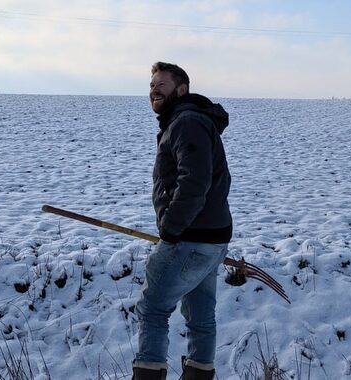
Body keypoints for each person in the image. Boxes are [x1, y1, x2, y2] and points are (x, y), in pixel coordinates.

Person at [133, 62, 232, 380]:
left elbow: (194, 182)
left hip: (188, 237)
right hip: (212, 239)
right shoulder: (192, 122)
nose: (154, 89)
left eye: (161, 84)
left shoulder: (186, 122)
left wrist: (171, 229)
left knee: (152, 309)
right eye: (151, 85)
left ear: (182, 90)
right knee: (201, 316)